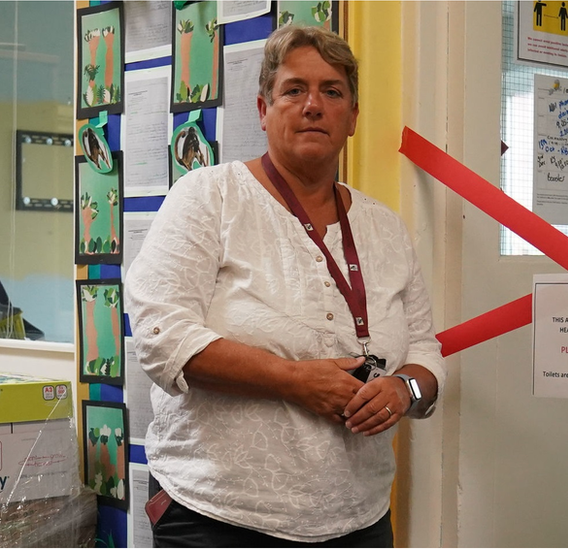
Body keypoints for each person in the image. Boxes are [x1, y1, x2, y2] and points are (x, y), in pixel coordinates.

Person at [124, 24, 445, 548]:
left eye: (332, 91)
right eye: (294, 89)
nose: (313, 105)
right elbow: (163, 339)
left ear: (353, 118)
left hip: (358, 520)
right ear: (263, 109)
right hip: (219, 518)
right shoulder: (208, 198)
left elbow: (424, 349)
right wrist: (292, 379)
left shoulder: (385, 227)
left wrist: (403, 389)